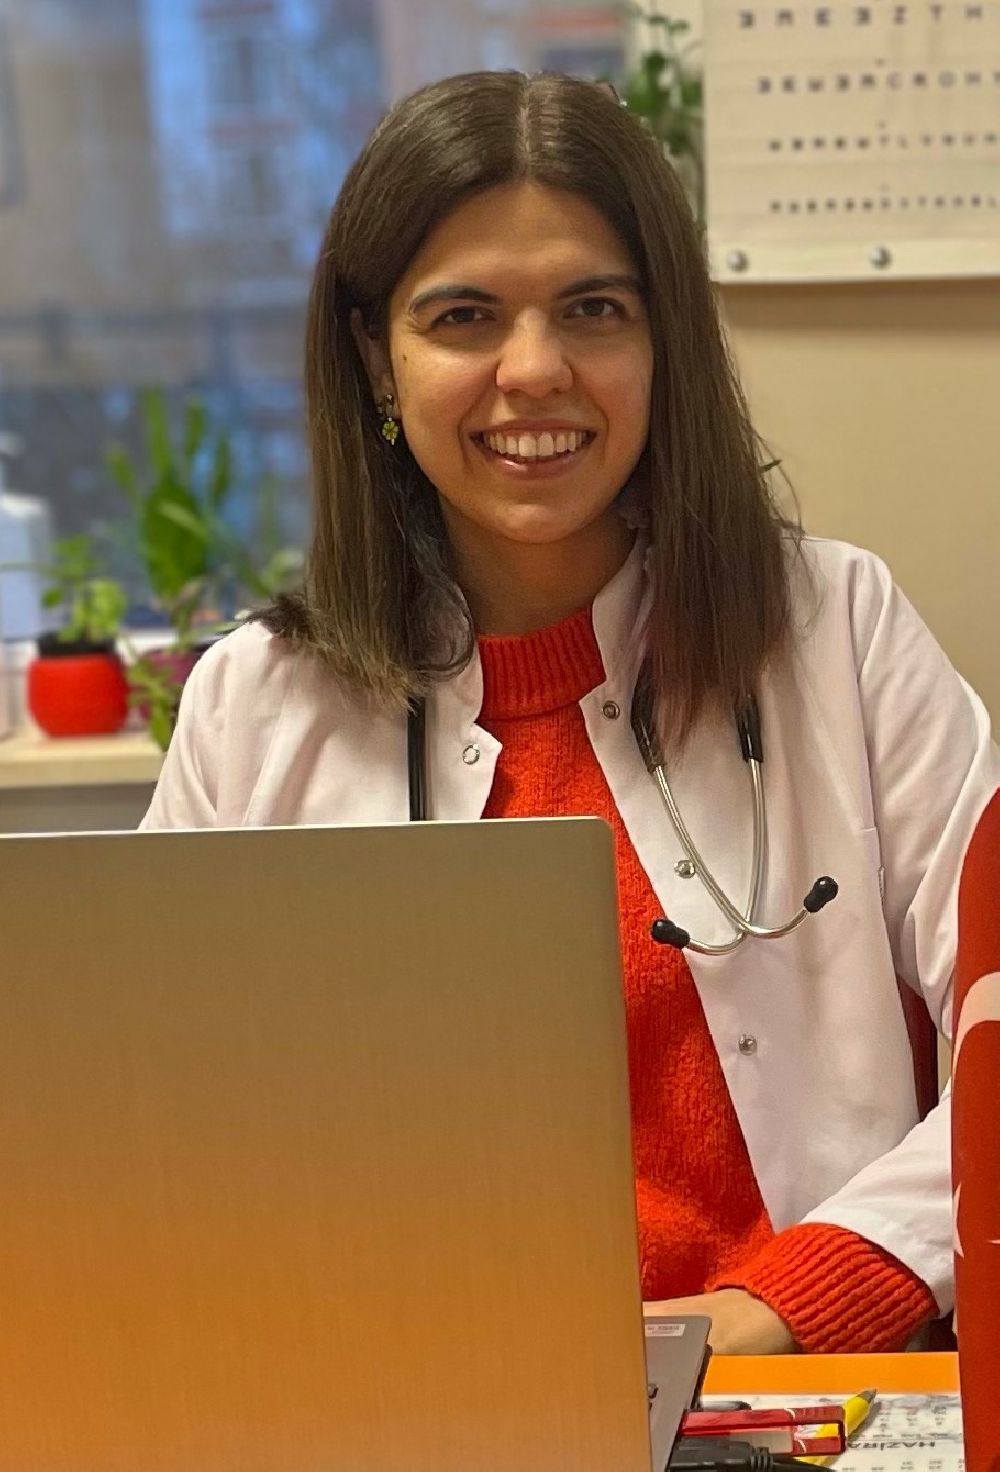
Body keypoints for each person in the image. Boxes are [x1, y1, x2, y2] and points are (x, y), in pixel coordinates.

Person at [142, 70, 1000, 1355]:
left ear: (662, 343)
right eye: (464, 316)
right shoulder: (255, 705)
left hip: (793, 1390)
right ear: (377, 357)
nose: (534, 370)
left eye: (593, 309)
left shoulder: (838, 629)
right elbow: (154, 1122)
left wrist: (791, 1299)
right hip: (411, 1384)